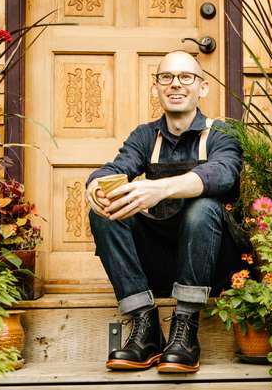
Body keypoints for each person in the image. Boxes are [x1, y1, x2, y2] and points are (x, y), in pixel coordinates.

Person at [86, 51, 243, 373]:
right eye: (166, 77)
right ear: (155, 87)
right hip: (158, 263)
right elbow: (117, 167)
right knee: (107, 209)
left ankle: (185, 328)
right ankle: (145, 328)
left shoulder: (222, 134)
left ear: (202, 88)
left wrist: (160, 188)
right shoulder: (145, 136)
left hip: (212, 263)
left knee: (203, 208)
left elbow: (224, 173)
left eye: (186, 77)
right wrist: (96, 185)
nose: (176, 84)